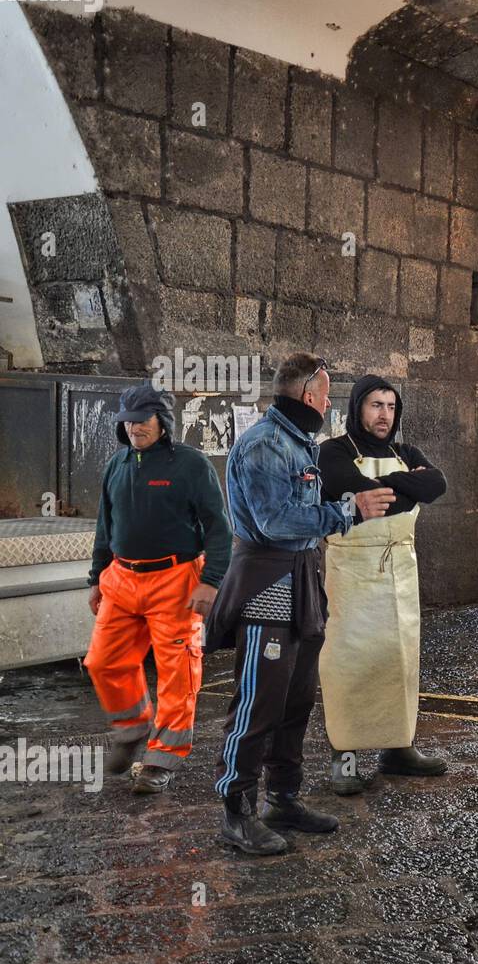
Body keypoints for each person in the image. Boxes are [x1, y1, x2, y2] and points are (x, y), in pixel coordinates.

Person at [204, 353, 395, 856]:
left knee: (295, 699)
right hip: (267, 583)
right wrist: (349, 510)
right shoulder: (265, 445)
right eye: (326, 394)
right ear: (308, 395)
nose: (330, 402)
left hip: (301, 580)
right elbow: (276, 523)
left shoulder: (297, 441)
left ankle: (282, 798)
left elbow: (302, 514)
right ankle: (236, 811)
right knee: (257, 702)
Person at [84, 384, 232, 794]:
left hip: (176, 580)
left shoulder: (191, 465)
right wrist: (96, 578)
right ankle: (131, 729)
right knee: (103, 661)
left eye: (142, 420)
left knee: (177, 672)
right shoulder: (117, 465)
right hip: (121, 577)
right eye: (128, 422)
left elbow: (219, 527)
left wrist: (211, 580)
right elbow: (104, 526)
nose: (134, 428)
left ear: (162, 422)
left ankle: (161, 759)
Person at [316, 375, 449, 795]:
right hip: (353, 573)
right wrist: (404, 486)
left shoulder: (405, 451)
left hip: (399, 573)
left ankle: (398, 747)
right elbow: (355, 487)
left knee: (400, 660)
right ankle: (345, 757)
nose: (384, 415)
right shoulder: (332, 452)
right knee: (348, 664)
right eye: (375, 405)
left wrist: (390, 490)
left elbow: (437, 484)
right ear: (358, 408)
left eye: (391, 407)